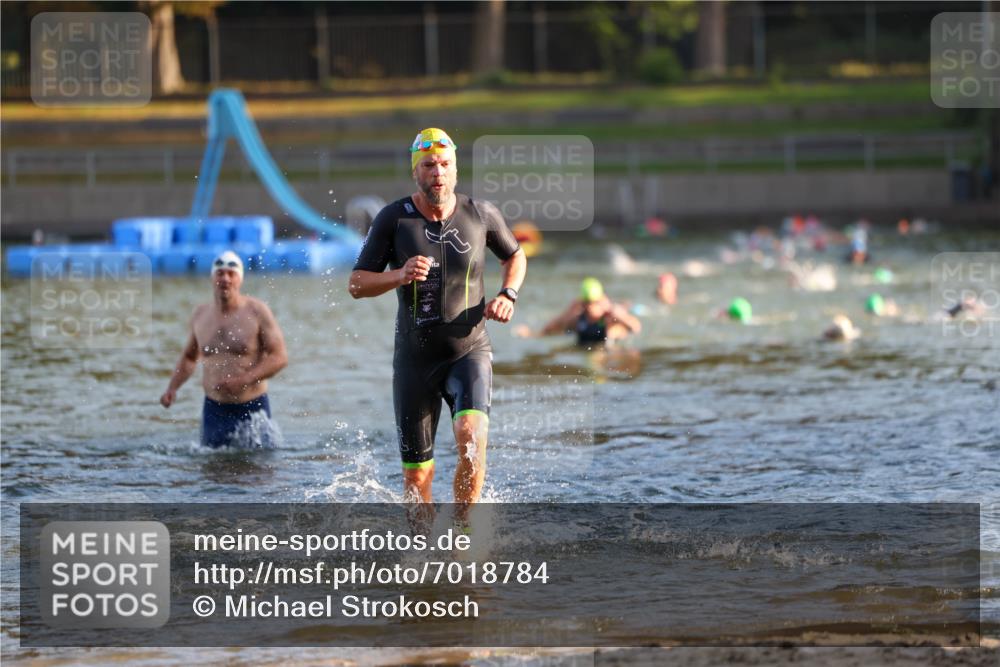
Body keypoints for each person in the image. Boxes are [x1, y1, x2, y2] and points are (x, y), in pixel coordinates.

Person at [348, 128, 526, 510]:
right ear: (416, 172)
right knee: (416, 478)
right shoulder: (394, 220)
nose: (438, 173)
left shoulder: (480, 214)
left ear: (456, 171)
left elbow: (515, 255)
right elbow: (357, 284)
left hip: (470, 350)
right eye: (429, 165)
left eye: (445, 165)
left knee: (471, 438)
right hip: (415, 360)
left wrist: (507, 294)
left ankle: (462, 538)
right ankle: (424, 559)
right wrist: (400, 274)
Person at [160, 251, 288, 448]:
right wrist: (172, 388)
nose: (225, 279)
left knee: (258, 473)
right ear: (212, 277)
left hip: (252, 407)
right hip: (214, 409)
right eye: (220, 273)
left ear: (240, 279)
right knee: (213, 471)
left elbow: (279, 357)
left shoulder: (257, 311)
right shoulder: (201, 314)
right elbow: (188, 357)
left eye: (231, 273)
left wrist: (244, 380)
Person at [514, 277, 641, 347]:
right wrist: (530, 334)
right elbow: (552, 330)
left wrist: (617, 312)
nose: (591, 307)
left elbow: (635, 328)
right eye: (587, 303)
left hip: (609, 351)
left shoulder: (610, 319)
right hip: (583, 349)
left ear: (602, 301)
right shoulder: (578, 319)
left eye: (595, 303)